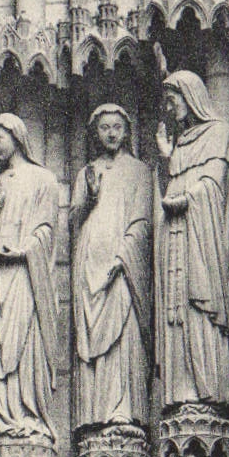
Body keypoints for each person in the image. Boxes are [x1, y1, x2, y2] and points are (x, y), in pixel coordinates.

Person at [154, 70, 229, 414]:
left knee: (198, 306)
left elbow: (215, 184)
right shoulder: (179, 144)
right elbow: (169, 186)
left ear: (192, 98)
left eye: (173, 102)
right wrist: (165, 158)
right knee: (176, 310)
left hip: (203, 239)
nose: (170, 110)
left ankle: (208, 394)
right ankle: (181, 392)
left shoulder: (219, 133)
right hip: (175, 236)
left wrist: (188, 199)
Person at [70, 104, 152, 434]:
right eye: (105, 127)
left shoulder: (138, 171)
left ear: (127, 131)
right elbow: (74, 221)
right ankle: (94, 412)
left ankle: (124, 409)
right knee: (91, 338)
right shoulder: (85, 172)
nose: (112, 133)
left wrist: (123, 256)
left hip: (122, 265)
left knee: (124, 336)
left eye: (117, 126)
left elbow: (144, 221)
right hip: (89, 263)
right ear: (95, 133)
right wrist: (89, 197)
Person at [0, 113, 59, 443]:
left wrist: (25, 250)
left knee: (26, 340)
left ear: (16, 136)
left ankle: (28, 414)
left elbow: (48, 230)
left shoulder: (43, 179)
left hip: (27, 273)